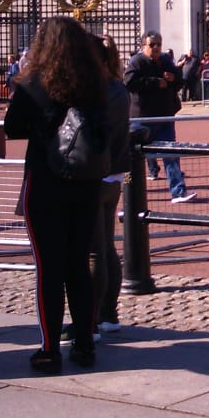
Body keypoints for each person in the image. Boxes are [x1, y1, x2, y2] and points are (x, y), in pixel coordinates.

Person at [4, 17, 117, 373]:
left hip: (45, 181)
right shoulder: (95, 81)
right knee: (78, 266)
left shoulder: (33, 82)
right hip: (85, 183)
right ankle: (84, 344)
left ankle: (50, 348)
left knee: (48, 270)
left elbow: (12, 127)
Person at [90, 35, 133, 340]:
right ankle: (108, 313)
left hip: (94, 174)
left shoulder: (95, 91)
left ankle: (90, 317)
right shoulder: (119, 88)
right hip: (116, 174)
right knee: (106, 248)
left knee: (95, 251)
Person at [124, 32, 192, 204]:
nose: (156, 48)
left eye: (158, 44)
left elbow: (180, 81)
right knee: (131, 159)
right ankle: (128, 195)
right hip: (142, 118)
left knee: (171, 154)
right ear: (143, 46)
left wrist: (174, 78)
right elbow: (130, 83)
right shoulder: (136, 62)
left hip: (164, 116)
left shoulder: (166, 60)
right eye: (152, 44)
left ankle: (178, 192)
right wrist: (155, 82)